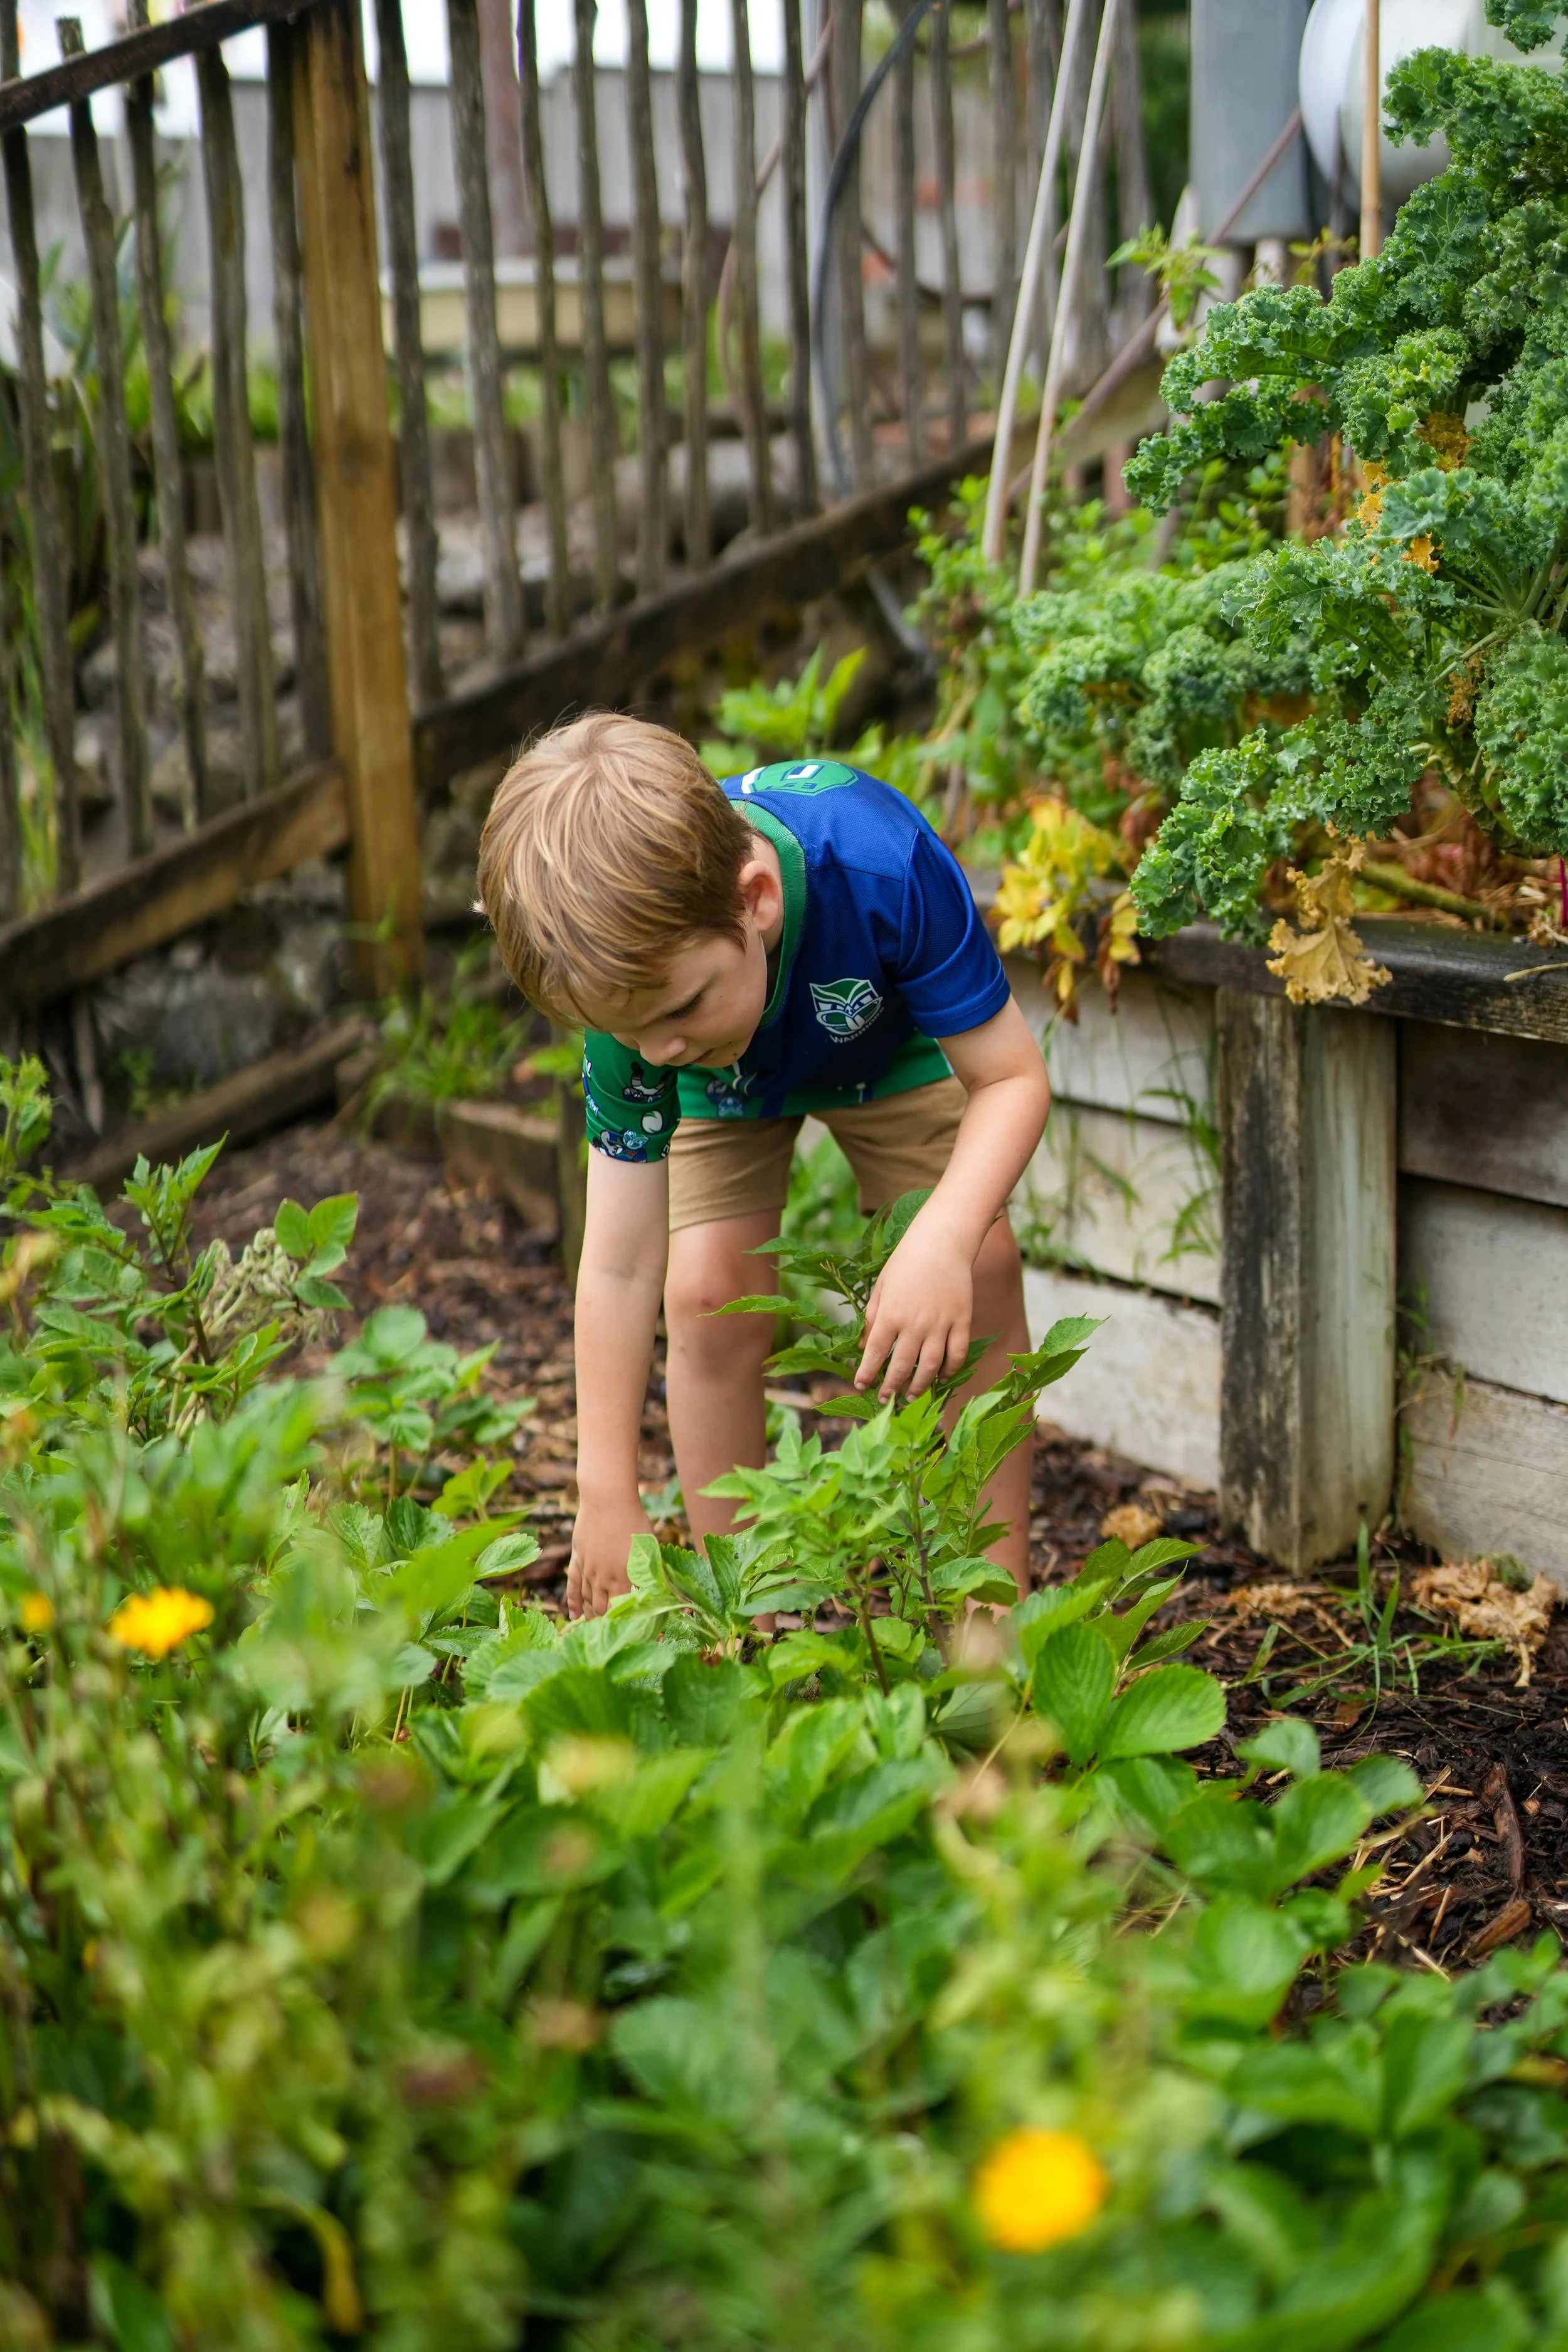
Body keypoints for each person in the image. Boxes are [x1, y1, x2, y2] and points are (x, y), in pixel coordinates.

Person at [476, 711, 1052, 1618]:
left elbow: (1012, 1080)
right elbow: (620, 1265)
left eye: (677, 1007)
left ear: (756, 900)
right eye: (628, 1034)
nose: (653, 1053)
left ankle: (988, 1614)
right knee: (706, 1295)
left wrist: (941, 1237)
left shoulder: (878, 862)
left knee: (979, 1267)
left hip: (886, 1033)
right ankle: (744, 1617)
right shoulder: (651, 1019)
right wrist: (606, 1488)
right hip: (730, 1077)